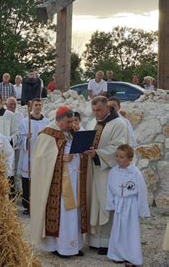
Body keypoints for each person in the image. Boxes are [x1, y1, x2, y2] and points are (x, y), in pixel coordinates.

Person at [30, 106, 87, 258]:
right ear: (59, 120)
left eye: (72, 121)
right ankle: (60, 247)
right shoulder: (47, 134)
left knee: (75, 213)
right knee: (63, 214)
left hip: (75, 179)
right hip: (59, 183)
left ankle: (74, 245)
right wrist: (61, 159)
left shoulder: (72, 133)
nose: (71, 124)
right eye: (68, 122)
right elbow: (41, 160)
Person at [83, 96, 129, 255]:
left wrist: (97, 153)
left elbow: (119, 147)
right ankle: (94, 241)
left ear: (108, 108)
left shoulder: (119, 124)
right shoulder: (92, 123)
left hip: (108, 172)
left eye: (99, 110)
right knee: (93, 203)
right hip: (93, 171)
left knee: (106, 204)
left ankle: (108, 243)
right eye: (94, 110)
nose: (96, 113)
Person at [106, 144, 150, 265]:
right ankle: (117, 254)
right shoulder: (113, 172)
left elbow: (142, 191)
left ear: (130, 159)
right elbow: (109, 189)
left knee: (130, 230)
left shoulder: (135, 173)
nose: (118, 159)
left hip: (131, 205)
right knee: (118, 229)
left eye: (121, 157)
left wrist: (142, 210)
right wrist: (111, 204)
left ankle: (132, 256)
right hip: (119, 204)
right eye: (117, 156)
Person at [18, 99, 49, 215]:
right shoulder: (25, 122)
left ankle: (40, 203)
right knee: (27, 180)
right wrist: (26, 137)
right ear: (31, 107)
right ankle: (28, 205)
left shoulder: (46, 122)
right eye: (36, 105)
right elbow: (20, 139)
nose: (38, 107)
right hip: (28, 155)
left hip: (41, 155)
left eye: (40, 105)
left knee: (40, 180)